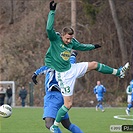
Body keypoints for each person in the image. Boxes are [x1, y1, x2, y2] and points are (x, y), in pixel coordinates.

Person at [45, 1, 129, 132]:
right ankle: (55, 125)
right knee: (68, 104)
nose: (69, 41)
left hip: (72, 69)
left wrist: (93, 46)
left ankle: (118, 72)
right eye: (67, 38)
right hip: (63, 75)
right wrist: (52, 11)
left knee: (94, 64)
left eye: (70, 39)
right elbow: (49, 29)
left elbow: (82, 46)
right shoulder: (55, 40)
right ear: (62, 36)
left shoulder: (72, 42)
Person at [32, 51, 83, 133]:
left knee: (49, 123)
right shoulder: (67, 66)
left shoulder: (53, 65)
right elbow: (72, 62)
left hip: (53, 96)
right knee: (67, 124)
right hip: (63, 97)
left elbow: (44, 68)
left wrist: (35, 74)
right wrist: (73, 55)